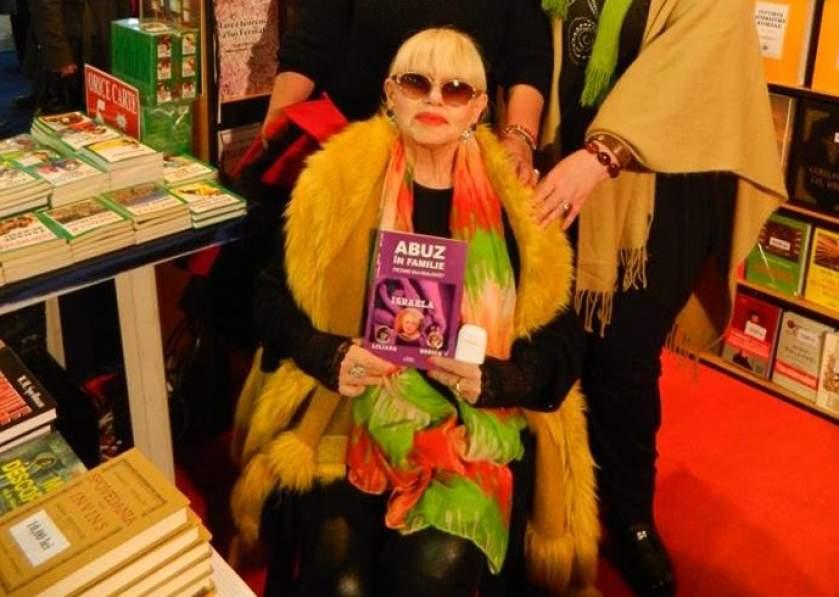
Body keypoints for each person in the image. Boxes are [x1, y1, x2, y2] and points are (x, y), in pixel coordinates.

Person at [230, 28, 598, 597]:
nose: (433, 100)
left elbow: (562, 341)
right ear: (389, 93)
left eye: (456, 89)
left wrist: (497, 381)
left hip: (472, 425)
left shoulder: (519, 204)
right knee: (340, 582)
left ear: (479, 107)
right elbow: (270, 300)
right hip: (345, 411)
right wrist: (329, 355)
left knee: (432, 572)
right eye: (415, 83)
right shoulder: (337, 179)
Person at [533, 1, 788, 595]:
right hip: (554, 180)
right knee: (549, 346)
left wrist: (604, 155)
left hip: (655, 201)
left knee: (624, 361)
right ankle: (550, 503)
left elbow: (696, 58)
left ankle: (629, 517)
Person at [264, 0, 553, 185]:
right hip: (354, 157)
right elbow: (308, 45)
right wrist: (278, 128)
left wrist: (519, 137)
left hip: (457, 162)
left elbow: (528, 58)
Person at [25, 0, 132, 112]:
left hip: (104, 37)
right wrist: (59, 55)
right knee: (67, 111)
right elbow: (45, 7)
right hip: (71, 45)